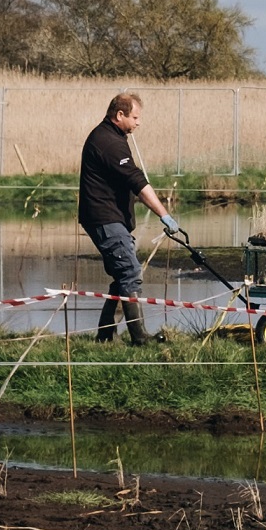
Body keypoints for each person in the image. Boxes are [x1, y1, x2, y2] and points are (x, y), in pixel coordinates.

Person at [78, 92, 180, 345]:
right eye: (135, 117)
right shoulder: (109, 143)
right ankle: (140, 338)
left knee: (123, 276)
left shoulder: (112, 136)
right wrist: (164, 214)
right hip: (105, 218)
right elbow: (136, 181)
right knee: (131, 273)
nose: (138, 122)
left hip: (108, 217)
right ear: (119, 115)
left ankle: (105, 336)